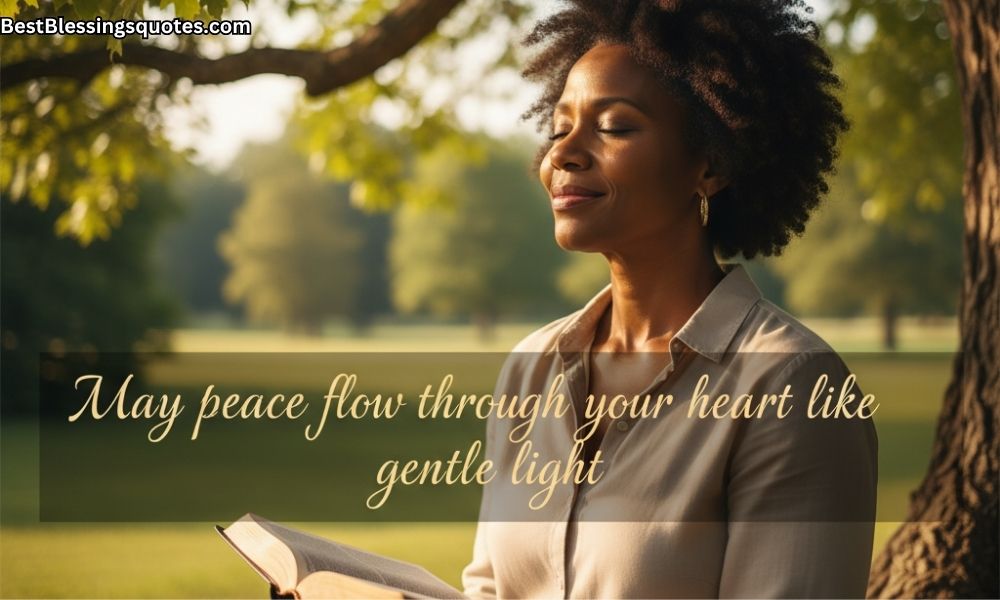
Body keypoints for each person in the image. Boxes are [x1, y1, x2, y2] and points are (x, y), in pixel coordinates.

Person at [461, 1, 878, 598]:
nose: (562, 154)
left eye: (616, 127)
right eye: (559, 128)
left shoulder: (791, 388)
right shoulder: (533, 368)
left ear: (709, 164)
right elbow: (489, 588)